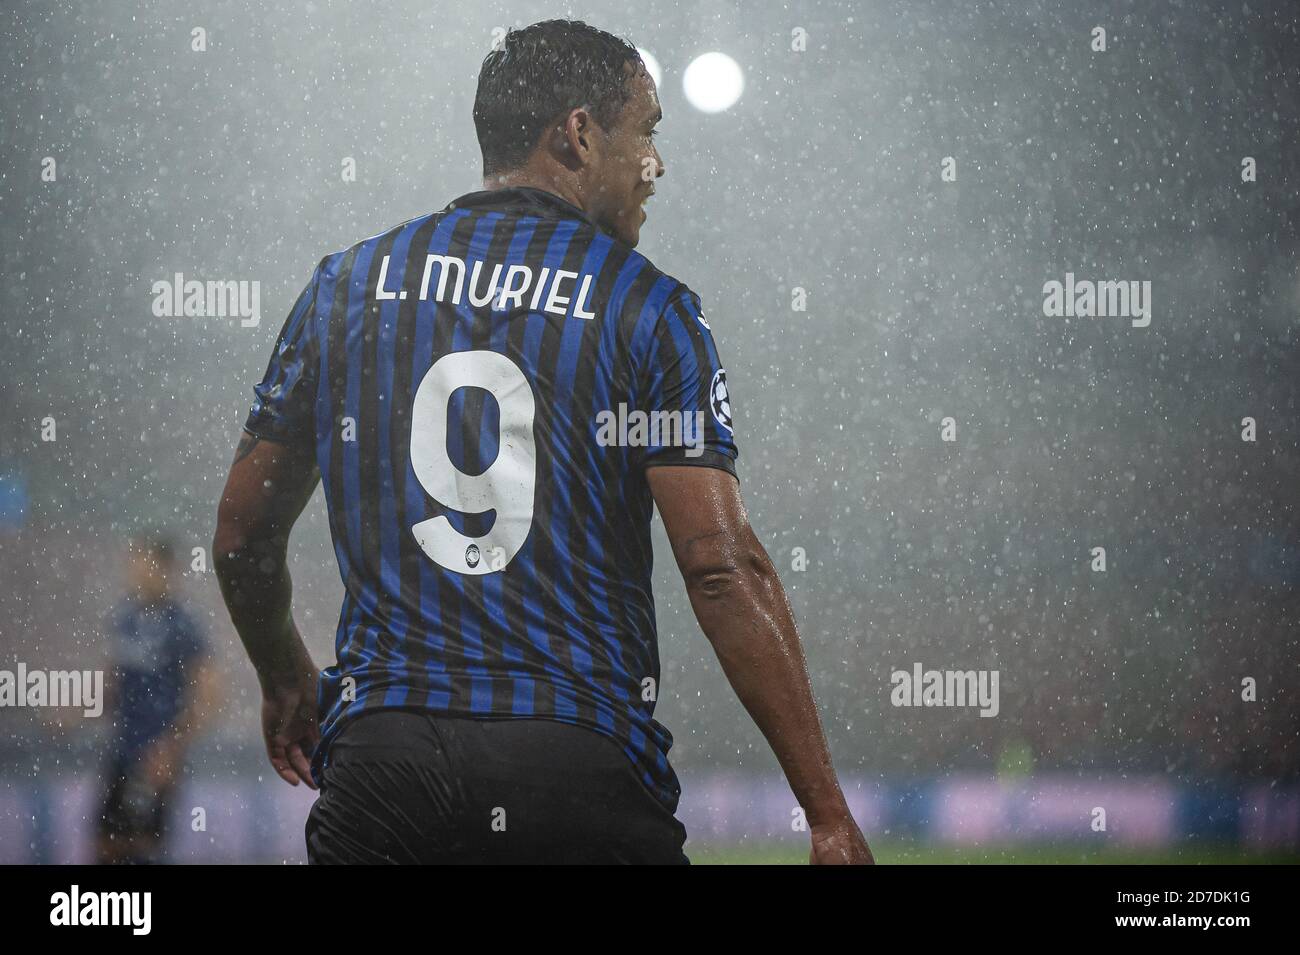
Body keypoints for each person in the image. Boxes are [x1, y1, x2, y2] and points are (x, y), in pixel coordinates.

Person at [214, 18, 872, 864]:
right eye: (647, 133)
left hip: (384, 763)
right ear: (580, 133)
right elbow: (717, 564)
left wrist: (284, 676)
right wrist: (824, 812)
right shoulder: (649, 307)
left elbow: (242, 532)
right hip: (574, 763)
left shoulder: (347, 286)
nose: (656, 166)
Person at [97, 535, 217, 864]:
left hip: (156, 755)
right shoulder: (125, 617)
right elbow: (113, 684)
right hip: (122, 750)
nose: (137, 571)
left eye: (145, 563)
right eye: (134, 562)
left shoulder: (183, 625)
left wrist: (171, 748)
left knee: (141, 846)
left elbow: (207, 694)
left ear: (166, 569)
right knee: (105, 846)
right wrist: (75, 711)